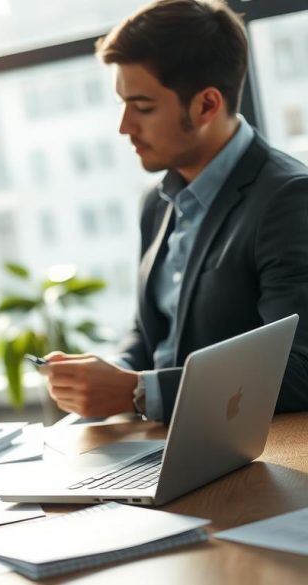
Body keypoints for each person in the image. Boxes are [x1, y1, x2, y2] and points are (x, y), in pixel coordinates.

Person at [40, 0, 308, 423]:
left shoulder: (289, 198)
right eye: (122, 104)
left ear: (206, 105)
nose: (124, 126)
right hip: (156, 444)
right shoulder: (157, 202)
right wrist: (105, 379)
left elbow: (300, 369)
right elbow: (152, 338)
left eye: (143, 107)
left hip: (241, 460)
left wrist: (138, 392)